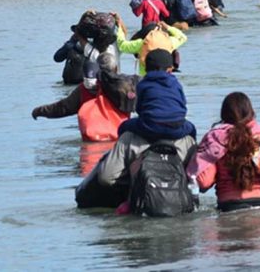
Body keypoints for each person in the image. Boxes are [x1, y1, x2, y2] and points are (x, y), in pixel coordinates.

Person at [75, 49, 197, 209]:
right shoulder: (176, 84)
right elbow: (182, 108)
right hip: (178, 131)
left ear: (145, 68)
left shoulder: (143, 84)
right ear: (170, 70)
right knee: (192, 131)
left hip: (145, 128)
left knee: (123, 130)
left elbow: (106, 179)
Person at [186, 92, 260, 212]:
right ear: (251, 112)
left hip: (228, 209)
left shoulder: (214, 139)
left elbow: (203, 182)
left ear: (223, 115)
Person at [32, 53, 137, 121]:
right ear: (116, 68)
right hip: (120, 134)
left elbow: (63, 108)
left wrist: (40, 111)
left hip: (93, 135)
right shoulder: (126, 84)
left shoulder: (86, 88)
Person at [114, 14, 187, 76]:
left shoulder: (141, 43)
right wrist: (168, 27)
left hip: (145, 80)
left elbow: (122, 45)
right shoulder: (169, 41)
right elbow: (183, 37)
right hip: (165, 80)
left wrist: (119, 27)